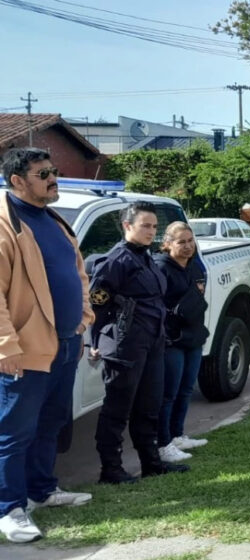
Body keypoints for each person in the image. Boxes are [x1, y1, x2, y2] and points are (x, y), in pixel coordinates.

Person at [0, 148, 95, 543]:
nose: (53, 178)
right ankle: (9, 509)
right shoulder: (7, 226)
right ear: (17, 181)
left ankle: (42, 491)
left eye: (54, 171)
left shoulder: (55, 221)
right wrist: (6, 347)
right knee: (14, 432)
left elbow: (79, 274)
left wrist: (84, 318)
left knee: (52, 423)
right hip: (26, 349)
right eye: (44, 173)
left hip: (66, 343)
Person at [89, 201, 189, 484]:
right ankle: (111, 469)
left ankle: (151, 463)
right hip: (125, 345)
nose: (151, 231)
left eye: (155, 226)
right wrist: (95, 341)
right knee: (117, 409)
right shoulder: (116, 261)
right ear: (127, 226)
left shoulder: (145, 257)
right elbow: (97, 304)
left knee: (149, 405)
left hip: (152, 340)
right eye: (145, 225)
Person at [154, 222, 210, 463]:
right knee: (169, 392)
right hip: (172, 341)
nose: (188, 247)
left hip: (193, 337)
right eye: (181, 242)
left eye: (190, 241)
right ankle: (163, 442)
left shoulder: (194, 267)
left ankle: (177, 435)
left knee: (186, 389)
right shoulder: (160, 269)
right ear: (167, 245)